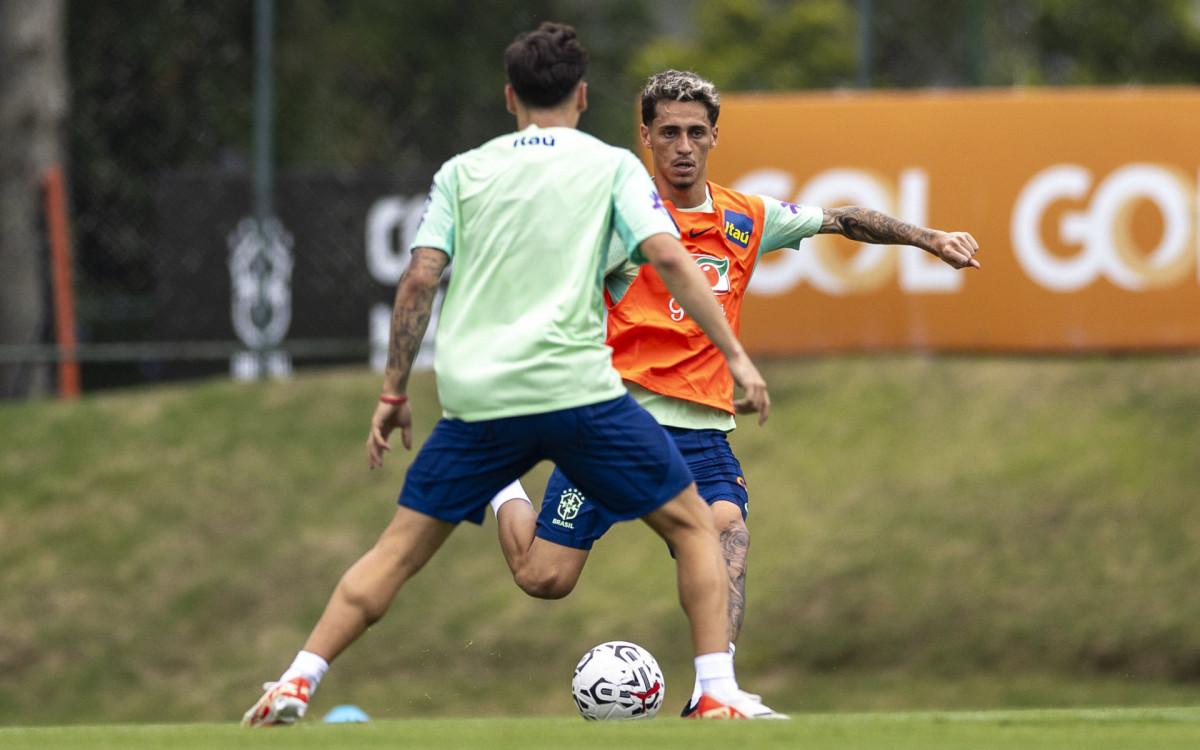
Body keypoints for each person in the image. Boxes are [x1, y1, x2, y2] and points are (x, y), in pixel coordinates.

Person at [242, 27, 785, 727]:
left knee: (398, 551)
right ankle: (714, 693)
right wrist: (736, 357)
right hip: (580, 394)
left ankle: (296, 680)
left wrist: (393, 391)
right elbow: (672, 259)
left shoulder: (462, 172)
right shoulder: (610, 167)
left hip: (483, 401)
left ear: (509, 97)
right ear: (583, 96)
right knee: (697, 530)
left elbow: (418, 282)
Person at [489, 69, 981, 717]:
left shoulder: (747, 218)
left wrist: (930, 238)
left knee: (729, 535)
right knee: (544, 578)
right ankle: (500, 482)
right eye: (669, 132)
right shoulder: (610, 213)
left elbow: (844, 220)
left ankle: (714, 693)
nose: (684, 145)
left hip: (699, 430)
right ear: (646, 137)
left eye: (696, 132)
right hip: (611, 427)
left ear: (715, 136)